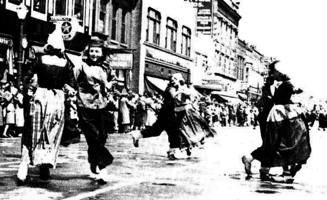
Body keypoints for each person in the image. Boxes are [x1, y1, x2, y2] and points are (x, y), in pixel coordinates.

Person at [16, 28, 76, 184]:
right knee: (39, 131)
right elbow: (28, 78)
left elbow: (71, 84)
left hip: (51, 99)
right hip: (46, 98)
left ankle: (42, 165)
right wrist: (30, 87)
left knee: (44, 131)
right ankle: (27, 163)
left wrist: (69, 89)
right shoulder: (50, 61)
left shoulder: (56, 62)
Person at [243, 61, 311, 183]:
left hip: (280, 115)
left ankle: (279, 170)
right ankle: (265, 167)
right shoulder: (281, 85)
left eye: (275, 72)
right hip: (278, 116)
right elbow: (279, 97)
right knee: (277, 143)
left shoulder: (283, 84)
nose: (274, 74)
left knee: (278, 142)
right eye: (274, 72)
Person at [75, 36, 115, 184]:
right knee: (93, 135)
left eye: (97, 51)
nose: (94, 54)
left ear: (102, 52)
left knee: (102, 136)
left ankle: (94, 159)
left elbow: (113, 80)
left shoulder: (106, 67)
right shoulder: (81, 65)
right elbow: (73, 80)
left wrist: (110, 86)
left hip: (102, 104)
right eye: (92, 51)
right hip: (84, 104)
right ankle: (103, 166)